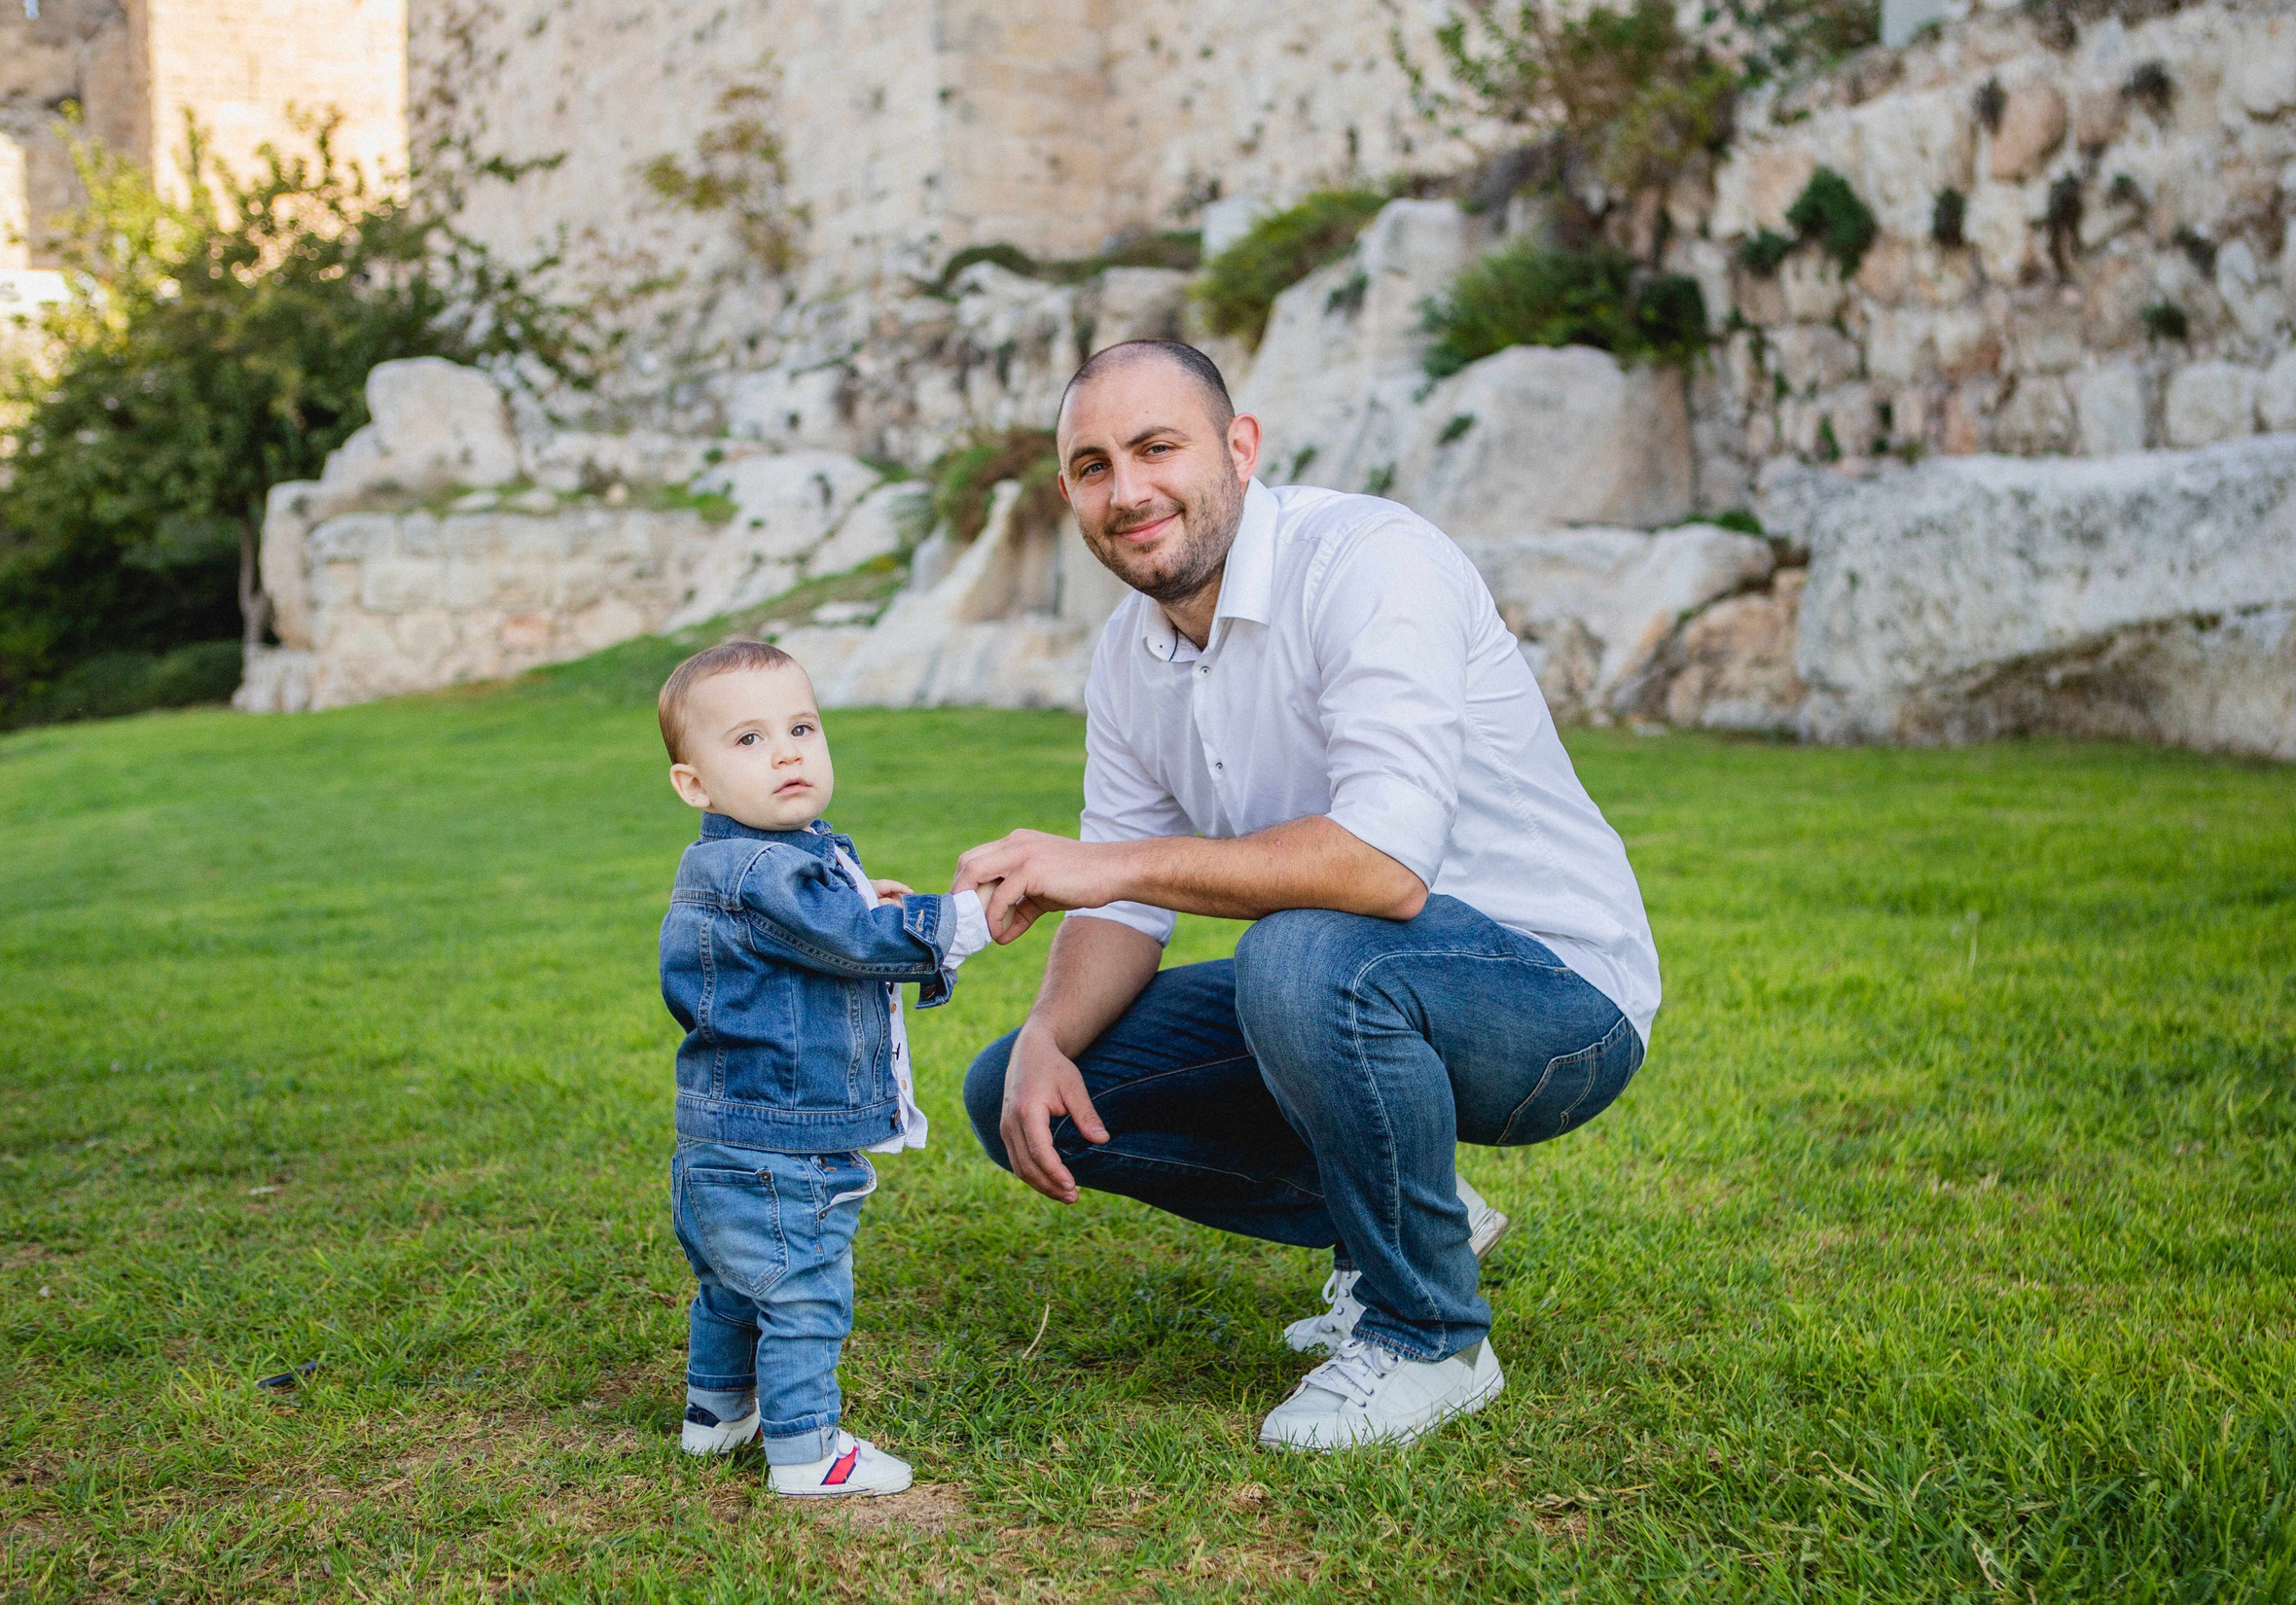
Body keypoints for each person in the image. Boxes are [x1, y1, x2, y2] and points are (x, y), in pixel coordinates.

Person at [952, 340, 1661, 1452]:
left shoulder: (1371, 562)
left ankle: (1432, 1337)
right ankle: (1420, 1219)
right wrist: (1046, 1031)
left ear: (1239, 450)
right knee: (1025, 1086)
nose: (1127, 490)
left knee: (1298, 950)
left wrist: (1110, 864)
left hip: (1557, 1005)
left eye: (1156, 448)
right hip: (1347, 985)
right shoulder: (1127, 654)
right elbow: (1124, 914)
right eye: (1093, 466)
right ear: (1069, 496)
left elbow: (1379, 867)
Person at [656, 640, 994, 1496]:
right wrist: (958, 921)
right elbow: (849, 941)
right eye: (747, 740)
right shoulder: (765, 868)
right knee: (805, 1291)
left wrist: (853, 901)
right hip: (784, 1142)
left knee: (733, 1283)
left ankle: (717, 1412)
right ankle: (808, 1453)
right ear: (693, 784)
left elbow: (818, 931)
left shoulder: (747, 864)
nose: (787, 752)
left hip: (718, 1137)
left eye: (801, 727)